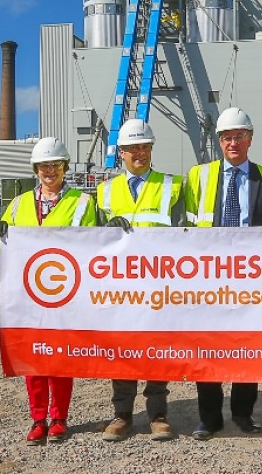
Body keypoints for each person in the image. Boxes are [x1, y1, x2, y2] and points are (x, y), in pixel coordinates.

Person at [0, 137, 98, 445]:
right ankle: (38, 418)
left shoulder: (82, 203)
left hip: (66, 293)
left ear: (64, 167)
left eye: (55, 165)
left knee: (61, 357)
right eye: (43, 166)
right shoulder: (20, 203)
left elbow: (93, 246)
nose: (49, 171)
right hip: (29, 294)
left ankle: (60, 417)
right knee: (34, 357)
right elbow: (2, 246)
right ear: (35, 169)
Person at [185, 107, 262, 440]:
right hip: (208, 278)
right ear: (219, 141)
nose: (233, 143)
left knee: (247, 348)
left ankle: (243, 413)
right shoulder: (198, 176)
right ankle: (209, 419)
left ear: (250, 139)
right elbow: (185, 228)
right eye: (227, 137)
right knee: (207, 349)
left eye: (240, 136)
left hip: (250, 279)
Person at [96, 118, 186, 442]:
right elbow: (92, 243)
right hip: (120, 288)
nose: (139, 153)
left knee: (157, 351)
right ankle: (122, 415)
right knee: (122, 352)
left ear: (151, 149)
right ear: (121, 153)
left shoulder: (172, 186)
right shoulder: (104, 192)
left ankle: (158, 414)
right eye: (132, 148)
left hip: (159, 286)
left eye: (144, 146)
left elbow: (185, 236)